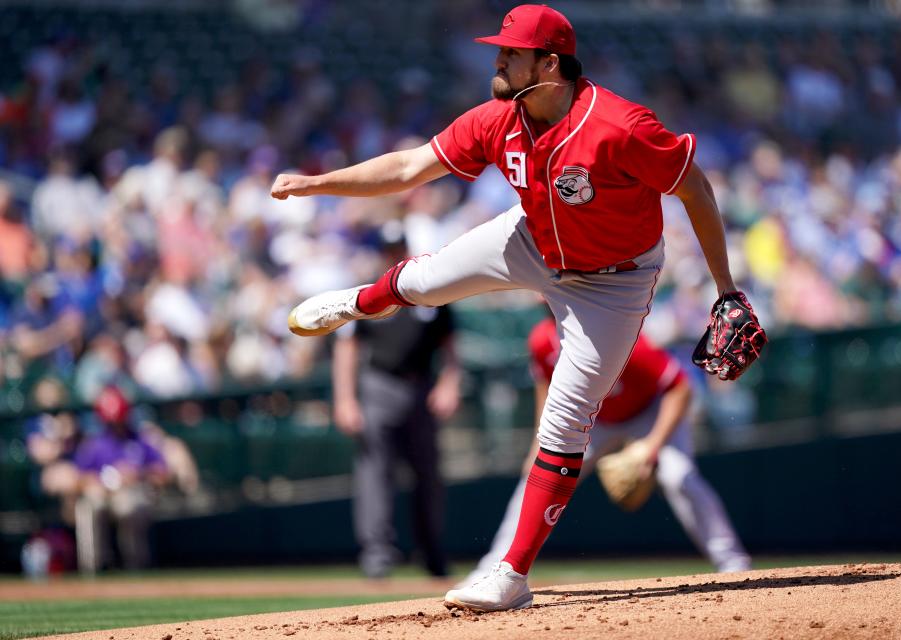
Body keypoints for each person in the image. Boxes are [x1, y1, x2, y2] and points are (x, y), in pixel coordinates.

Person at [272, 4, 763, 611]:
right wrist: (315, 184)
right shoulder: (498, 120)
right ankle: (356, 302)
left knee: (563, 421)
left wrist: (725, 289)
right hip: (534, 240)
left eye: (511, 52)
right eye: (499, 49)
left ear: (549, 64)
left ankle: (510, 573)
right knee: (425, 281)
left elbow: (694, 186)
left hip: (613, 283)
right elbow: (406, 167)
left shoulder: (621, 125)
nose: (498, 60)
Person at [461, 314, 751, 587]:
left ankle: (733, 562)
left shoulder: (620, 338)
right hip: (593, 419)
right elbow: (545, 386)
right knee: (537, 478)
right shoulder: (541, 340)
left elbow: (679, 387)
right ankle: (492, 568)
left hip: (649, 414)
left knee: (679, 476)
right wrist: (538, 442)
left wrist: (652, 446)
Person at [332, 222, 461, 579]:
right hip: (379, 386)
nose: (392, 255)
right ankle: (378, 554)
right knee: (375, 473)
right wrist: (345, 399)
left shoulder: (427, 290)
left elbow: (451, 347)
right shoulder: (368, 293)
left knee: (429, 475)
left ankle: (432, 553)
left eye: (396, 249)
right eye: (387, 250)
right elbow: (347, 348)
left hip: (421, 388)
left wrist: (450, 383)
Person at [73, 386, 170, 572]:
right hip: (103, 494)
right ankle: (93, 567)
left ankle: (135, 566)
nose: (116, 425)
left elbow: (163, 473)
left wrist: (139, 474)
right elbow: (78, 478)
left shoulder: (139, 440)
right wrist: (96, 482)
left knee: (129, 507)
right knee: (90, 505)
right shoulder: (94, 444)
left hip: (131, 495)